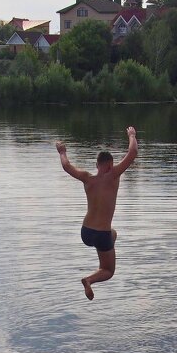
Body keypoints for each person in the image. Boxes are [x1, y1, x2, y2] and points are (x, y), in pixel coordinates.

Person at [55, 127, 138, 300]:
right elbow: (132, 152)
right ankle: (88, 280)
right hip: (101, 235)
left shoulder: (87, 178)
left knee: (113, 234)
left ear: (96, 165)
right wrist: (131, 135)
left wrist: (62, 151)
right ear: (110, 165)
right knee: (108, 270)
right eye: (113, 164)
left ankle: (110, 241)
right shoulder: (113, 175)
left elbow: (66, 166)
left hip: (86, 232)